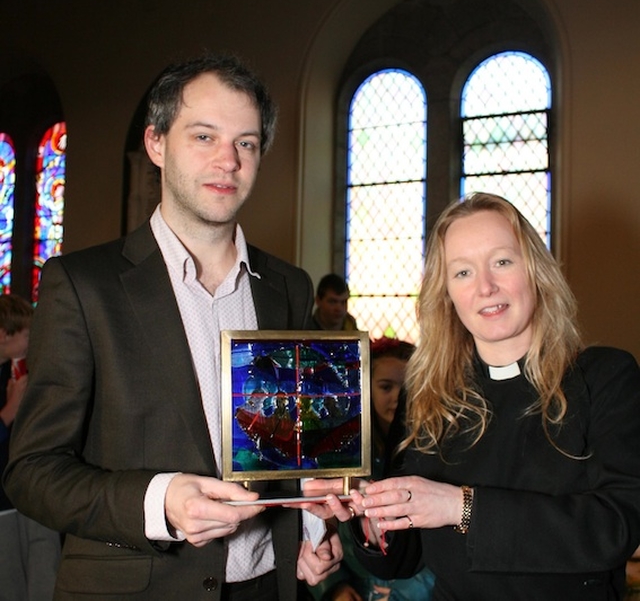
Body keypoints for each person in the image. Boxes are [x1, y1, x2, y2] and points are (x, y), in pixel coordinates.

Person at [3, 53, 342, 600]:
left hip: (268, 588)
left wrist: (311, 529)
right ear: (157, 143)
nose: (228, 160)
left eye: (247, 142)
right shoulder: (83, 285)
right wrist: (159, 501)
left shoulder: (288, 288)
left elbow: (290, 450)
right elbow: (33, 473)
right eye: (204, 136)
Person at [305, 192, 640, 600]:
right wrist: (371, 521)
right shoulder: (428, 395)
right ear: (445, 293)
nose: (485, 286)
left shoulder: (604, 377)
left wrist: (460, 507)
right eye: (462, 272)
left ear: (535, 271)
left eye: (502, 261)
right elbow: (402, 560)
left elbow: (617, 526)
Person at [307, 337, 434, 601]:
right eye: (386, 387)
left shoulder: (433, 452)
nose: (398, 398)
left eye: (408, 387)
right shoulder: (341, 454)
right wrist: (334, 585)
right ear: (365, 390)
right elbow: (318, 526)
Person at [0, 293, 61, 600]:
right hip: (3, 506)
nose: (31, 340)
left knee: (44, 574)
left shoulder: (15, 373)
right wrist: (10, 408)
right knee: (10, 582)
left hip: (30, 492)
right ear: (3, 334)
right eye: (26, 334)